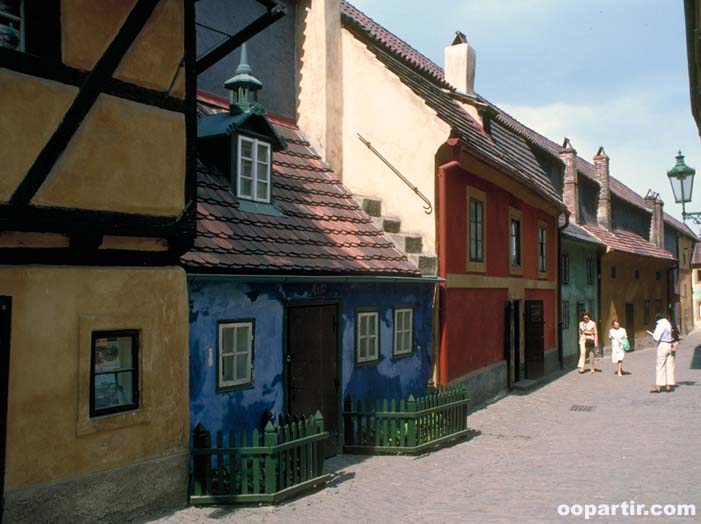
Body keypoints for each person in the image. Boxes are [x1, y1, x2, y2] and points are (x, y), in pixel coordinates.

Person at [649, 313, 675, 393]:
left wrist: (652, 335)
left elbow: (656, 338)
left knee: (660, 365)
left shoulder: (660, 324)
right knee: (670, 365)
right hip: (669, 344)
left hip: (663, 345)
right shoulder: (668, 323)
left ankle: (659, 387)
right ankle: (668, 385)